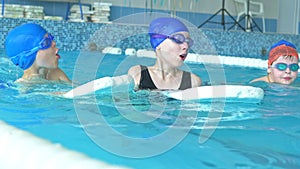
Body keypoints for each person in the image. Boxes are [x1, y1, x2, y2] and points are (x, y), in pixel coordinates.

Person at [128, 17, 202, 90]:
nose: (186, 46)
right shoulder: (139, 74)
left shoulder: (193, 82)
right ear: (158, 44)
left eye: (188, 42)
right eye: (178, 39)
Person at [5, 23, 71, 83]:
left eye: (51, 38)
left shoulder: (54, 72)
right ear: (29, 54)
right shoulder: (24, 83)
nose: (54, 43)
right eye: (46, 42)